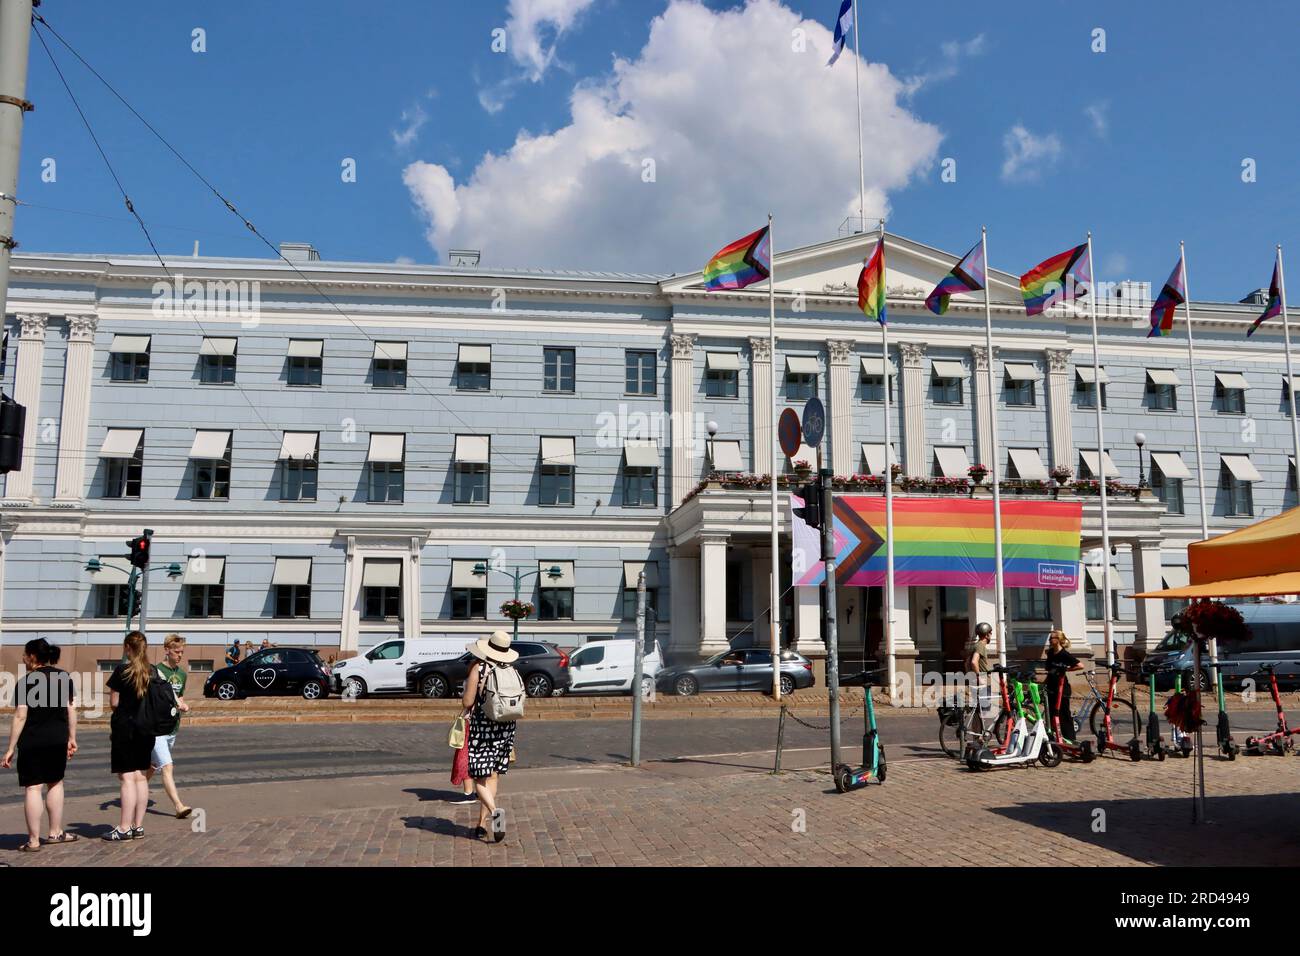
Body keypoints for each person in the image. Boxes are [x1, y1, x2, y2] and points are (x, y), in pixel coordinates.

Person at [1, 639, 78, 852]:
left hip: (32, 740)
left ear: (33, 657)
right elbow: (71, 710)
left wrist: (10, 748)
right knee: (55, 783)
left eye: (25, 655)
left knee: (33, 787)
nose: (23, 658)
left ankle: (33, 841)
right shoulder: (64, 677)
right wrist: (72, 737)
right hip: (57, 739)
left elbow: (20, 716)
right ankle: (55, 833)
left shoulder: (26, 681)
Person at [461, 630, 519, 843]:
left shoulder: (479, 667)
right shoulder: (511, 669)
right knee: (493, 775)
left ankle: (495, 812)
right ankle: (482, 824)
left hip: (483, 727)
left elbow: (468, 702)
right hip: (505, 726)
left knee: (478, 776)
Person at [103, 631, 157, 842]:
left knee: (127, 777)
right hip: (146, 729)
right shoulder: (152, 672)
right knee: (141, 776)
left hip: (125, 728)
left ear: (127, 647)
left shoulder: (121, 671)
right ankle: (138, 826)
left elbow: (114, 703)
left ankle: (124, 828)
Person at [145, 634, 192, 819]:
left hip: (172, 727)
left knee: (153, 765)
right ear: (167, 650)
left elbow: (179, 696)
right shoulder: (155, 671)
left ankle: (135, 788)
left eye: (182, 652)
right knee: (167, 766)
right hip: (157, 728)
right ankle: (179, 806)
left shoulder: (181, 674)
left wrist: (183, 704)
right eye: (176, 651)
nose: (180, 655)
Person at [1044, 629, 1083, 741]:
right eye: (1050, 638)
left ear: (1059, 640)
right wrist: (1044, 682)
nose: (1050, 640)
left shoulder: (1064, 654)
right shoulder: (1050, 653)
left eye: (1052, 638)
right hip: (1051, 685)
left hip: (1061, 687)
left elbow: (1080, 665)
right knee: (1051, 713)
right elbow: (1049, 670)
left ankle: (1070, 739)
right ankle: (1054, 737)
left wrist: (1066, 669)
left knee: (1064, 714)